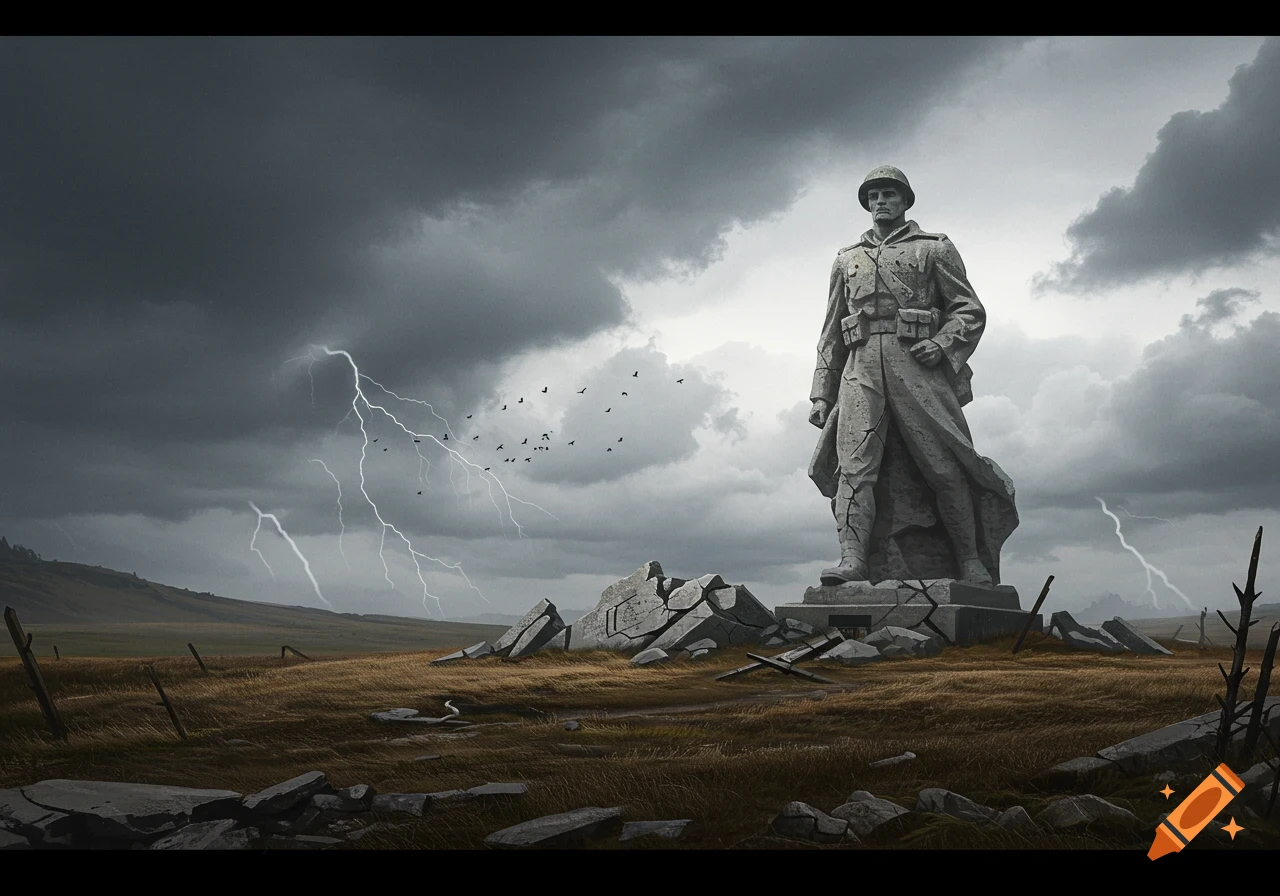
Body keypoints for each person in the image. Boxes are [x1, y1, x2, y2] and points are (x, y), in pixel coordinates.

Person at [808, 166, 1017, 586]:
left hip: (916, 363)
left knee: (943, 463)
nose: (881, 201)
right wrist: (821, 393)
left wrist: (941, 344)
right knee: (854, 467)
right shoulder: (846, 259)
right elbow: (832, 329)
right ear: (867, 203)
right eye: (874, 195)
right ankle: (853, 560)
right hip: (860, 365)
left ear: (905, 201)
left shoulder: (934, 248)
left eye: (889, 194)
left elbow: (969, 309)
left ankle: (970, 560)